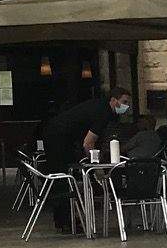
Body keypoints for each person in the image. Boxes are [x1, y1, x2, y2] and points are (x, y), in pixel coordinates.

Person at [40, 84, 131, 231]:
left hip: (59, 135)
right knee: (63, 178)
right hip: (59, 138)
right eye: (124, 102)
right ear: (114, 100)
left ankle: (64, 220)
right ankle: (66, 221)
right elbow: (88, 143)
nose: (126, 106)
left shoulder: (98, 106)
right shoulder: (103, 113)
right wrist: (96, 166)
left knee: (63, 177)